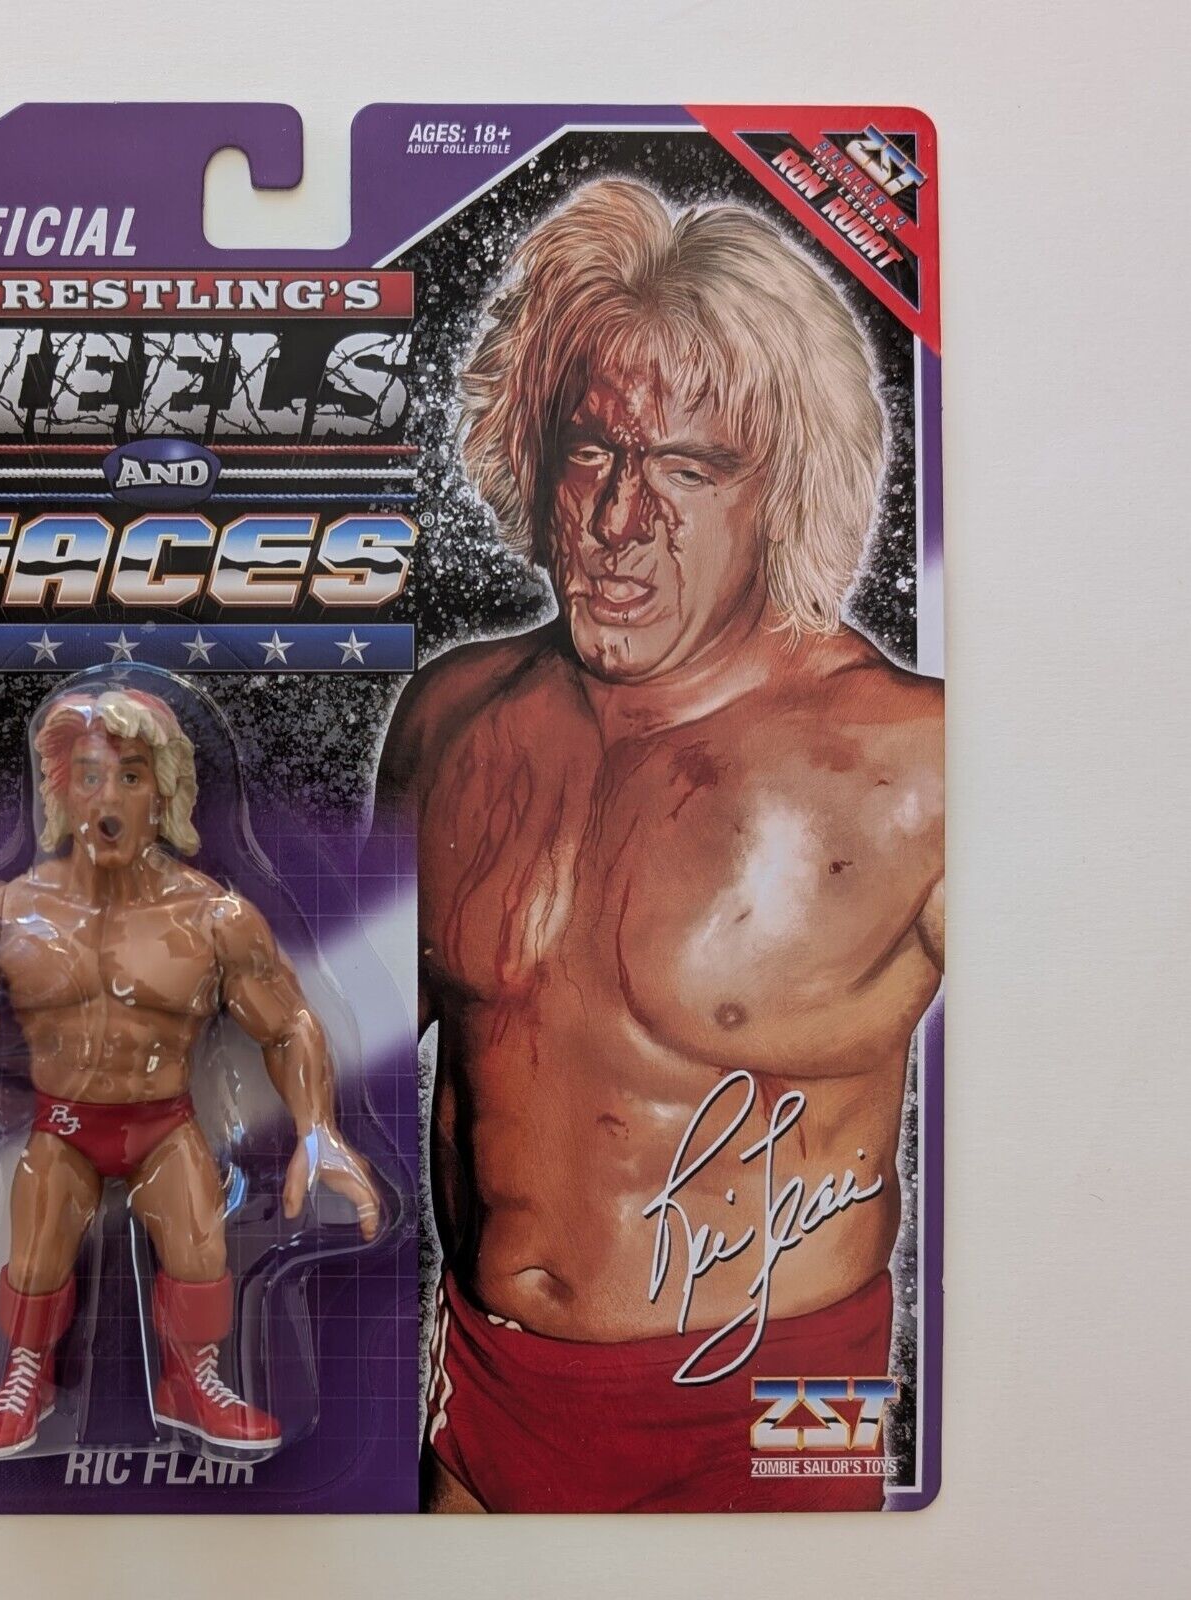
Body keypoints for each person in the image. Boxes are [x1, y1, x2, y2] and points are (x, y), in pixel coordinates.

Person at [378, 180, 944, 1512]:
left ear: (783, 488)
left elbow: (1094, 1115)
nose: (619, 519)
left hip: (770, 1406)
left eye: (689, 469)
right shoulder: (454, 718)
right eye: (591, 451)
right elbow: (331, 1067)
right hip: (491, 1394)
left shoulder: (914, 764)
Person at [0, 686, 380, 1459]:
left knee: (200, 1247)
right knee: (38, 1245)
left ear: (165, 792)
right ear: (61, 793)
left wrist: (319, 1130)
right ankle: (25, 1375)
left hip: (164, 1127)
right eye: (89, 776)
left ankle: (194, 1379)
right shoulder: (7, 911)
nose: (108, 797)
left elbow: (288, 1022)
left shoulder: (214, 918)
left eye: (129, 775)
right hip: (62, 1126)